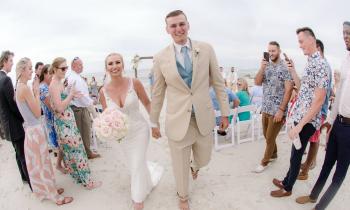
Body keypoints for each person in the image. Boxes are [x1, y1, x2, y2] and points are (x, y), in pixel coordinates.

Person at [150, 10, 229, 210]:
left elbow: (219, 83)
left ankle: (196, 166)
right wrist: (153, 121)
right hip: (177, 119)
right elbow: (158, 92)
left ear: (188, 25)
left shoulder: (206, 49)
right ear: (167, 29)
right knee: (179, 164)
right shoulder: (160, 58)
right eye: (173, 25)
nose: (178, 29)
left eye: (181, 24)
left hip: (203, 116)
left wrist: (225, 112)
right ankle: (183, 196)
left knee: (204, 158)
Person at [295, 21, 350, 210]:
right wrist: (330, 121)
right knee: (326, 165)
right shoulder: (346, 60)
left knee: (339, 173)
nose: (345, 36)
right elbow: (340, 92)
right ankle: (313, 196)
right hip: (338, 123)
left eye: (348, 33)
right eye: (344, 33)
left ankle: (320, 207)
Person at [270, 27, 330, 198]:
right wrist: (293, 70)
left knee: (296, 154)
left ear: (312, 40)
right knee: (294, 153)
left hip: (308, 120)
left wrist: (300, 125)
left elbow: (319, 100)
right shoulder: (311, 62)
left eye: (301, 41)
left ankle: (288, 188)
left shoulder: (320, 65)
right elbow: (303, 89)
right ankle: (286, 180)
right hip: (299, 117)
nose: (300, 45)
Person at [99, 53, 163, 210]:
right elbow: (106, 115)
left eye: (117, 62)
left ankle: (138, 199)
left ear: (123, 65)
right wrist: (108, 130)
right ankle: (145, 182)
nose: (114, 66)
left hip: (140, 130)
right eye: (110, 63)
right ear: (106, 68)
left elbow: (148, 103)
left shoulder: (134, 83)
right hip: (122, 136)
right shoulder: (103, 91)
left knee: (137, 161)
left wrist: (155, 124)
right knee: (135, 164)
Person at [15, 57, 73, 205]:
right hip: (35, 130)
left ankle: (49, 189)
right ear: (22, 70)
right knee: (43, 164)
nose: (32, 71)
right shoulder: (25, 88)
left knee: (39, 163)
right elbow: (37, 112)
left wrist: (33, 90)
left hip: (30, 130)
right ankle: (56, 197)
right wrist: (35, 91)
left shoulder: (18, 86)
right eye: (29, 68)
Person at [49, 57, 101, 189]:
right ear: (54, 69)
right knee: (77, 150)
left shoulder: (59, 82)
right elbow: (60, 107)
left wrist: (70, 95)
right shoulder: (54, 85)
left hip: (67, 120)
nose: (65, 70)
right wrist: (71, 95)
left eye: (66, 68)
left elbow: (58, 102)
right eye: (63, 68)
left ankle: (79, 177)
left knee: (73, 151)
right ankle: (88, 182)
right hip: (64, 122)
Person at [253, 41, 293, 173]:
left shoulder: (285, 67)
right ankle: (274, 154)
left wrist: (281, 110)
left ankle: (264, 162)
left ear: (279, 51)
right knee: (266, 135)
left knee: (270, 137)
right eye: (269, 51)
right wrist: (262, 68)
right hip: (266, 108)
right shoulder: (267, 66)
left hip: (277, 110)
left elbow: (288, 90)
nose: (271, 54)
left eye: (273, 51)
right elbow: (257, 82)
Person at [298, 39, 333, 180]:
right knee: (313, 138)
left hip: (319, 111)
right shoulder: (320, 65)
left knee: (314, 139)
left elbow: (323, 94)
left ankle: (306, 170)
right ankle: (308, 163)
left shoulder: (324, 66)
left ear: (317, 48)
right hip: (316, 109)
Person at [0, 50, 31, 189]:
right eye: (11, 61)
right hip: (14, 125)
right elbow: (13, 105)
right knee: (23, 155)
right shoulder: (5, 79)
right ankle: (32, 183)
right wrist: (23, 117)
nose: (12, 64)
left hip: (6, 125)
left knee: (18, 154)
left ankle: (24, 178)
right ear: (5, 61)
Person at [67, 57, 100, 159]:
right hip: (78, 109)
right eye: (80, 65)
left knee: (86, 131)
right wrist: (92, 102)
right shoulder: (73, 78)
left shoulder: (76, 76)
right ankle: (86, 153)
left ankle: (87, 152)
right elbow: (81, 95)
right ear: (73, 66)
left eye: (82, 64)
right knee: (83, 132)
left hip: (81, 107)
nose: (82, 66)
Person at [39, 64, 66, 174]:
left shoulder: (48, 85)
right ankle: (59, 165)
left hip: (53, 117)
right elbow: (51, 106)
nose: (51, 75)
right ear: (44, 74)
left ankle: (62, 164)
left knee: (61, 143)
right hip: (51, 118)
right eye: (49, 73)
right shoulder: (43, 88)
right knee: (59, 143)